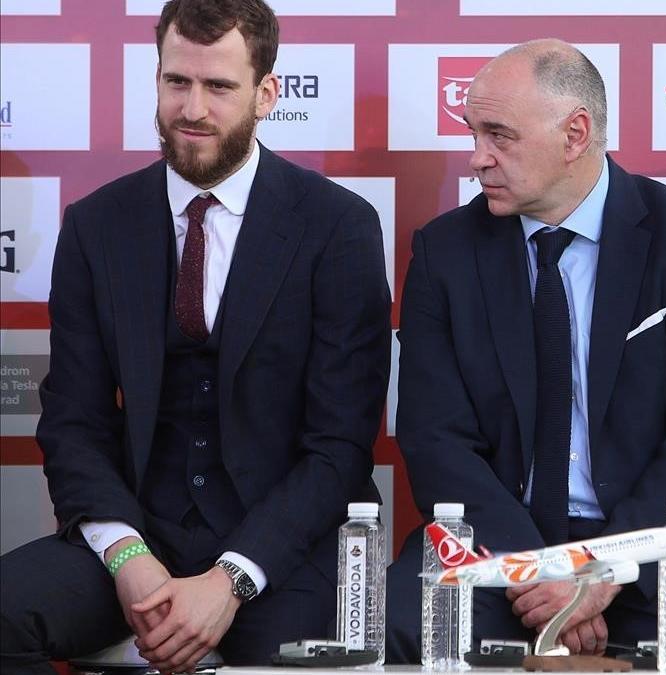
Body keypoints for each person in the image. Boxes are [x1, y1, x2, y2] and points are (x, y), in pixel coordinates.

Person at [0, 0, 391, 672]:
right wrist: (127, 556)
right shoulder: (96, 226)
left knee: (294, 661)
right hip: (137, 536)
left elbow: (340, 446)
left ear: (267, 94)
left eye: (219, 87)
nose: (193, 109)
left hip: (283, 548)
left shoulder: (338, 227)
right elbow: (74, 423)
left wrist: (232, 577)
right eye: (176, 81)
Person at [385, 39, 666, 670]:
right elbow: (436, 440)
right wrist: (540, 578)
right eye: (472, 132)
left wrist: (599, 571)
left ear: (575, 133)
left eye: (499, 135)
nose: (477, 158)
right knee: (402, 625)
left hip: (657, 551)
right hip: (499, 550)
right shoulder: (444, 251)